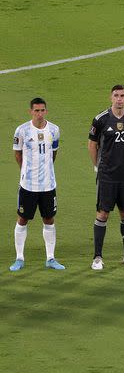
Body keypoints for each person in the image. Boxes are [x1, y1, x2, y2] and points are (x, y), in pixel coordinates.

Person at [88, 85, 124, 270]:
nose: (119, 99)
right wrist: (98, 166)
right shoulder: (100, 119)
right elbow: (92, 145)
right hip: (107, 176)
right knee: (103, 214)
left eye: (122, 96)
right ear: (111, 97)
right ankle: (97, 257)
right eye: (116, 95)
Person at [10, 98, 65, 271]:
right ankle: (19, 258)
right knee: (23, 219)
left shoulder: (54, 130)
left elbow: (53, 154)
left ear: (46, 111)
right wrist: (26, 171)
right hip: (28, 184)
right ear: (31, 112)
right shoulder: (22, 131)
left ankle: (50, 258)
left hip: (48, 184)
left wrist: (46, 171)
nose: (39, 114)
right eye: (36, 111)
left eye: (42, 110)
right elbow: (18, 154)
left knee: (49, 219)